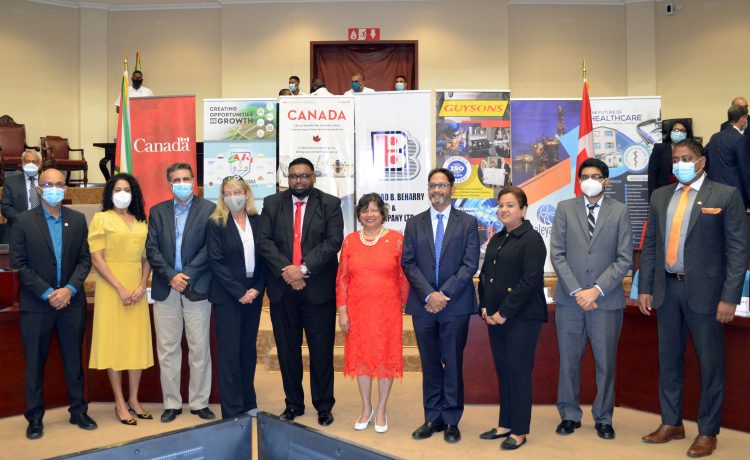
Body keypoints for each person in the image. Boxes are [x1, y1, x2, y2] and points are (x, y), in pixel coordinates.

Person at [638, 139, 749, 458]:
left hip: (708, 293)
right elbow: (651, 246)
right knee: (668, 360)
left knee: (710, 364)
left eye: (687, 158)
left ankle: (708, 431)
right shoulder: (660, 196)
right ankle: (671, 423)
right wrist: (645, 286)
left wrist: (730, 297)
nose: (680, 163)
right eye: (676, 159)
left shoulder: (725, 195)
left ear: (702, 161)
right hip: (667, 289)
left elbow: (739, 250)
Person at [257, 157, 344, 426]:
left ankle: (323, 405)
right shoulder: (273, 203)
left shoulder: (330, 203)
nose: (299, 180)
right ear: (288, 179)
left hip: (317, 290)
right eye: (294, 176)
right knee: (287, 351)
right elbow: (264, 241)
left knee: (321, 352)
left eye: (304, 176)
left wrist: (303, 270)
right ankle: (293, 404)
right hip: (283, 290)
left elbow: (333, 242)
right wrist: (289, 270)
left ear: (313, 178)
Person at [9, 168, 95, 439]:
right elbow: (18, 265)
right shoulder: (23, 222)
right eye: (49, 184)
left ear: (66, 188)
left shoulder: (78, 220)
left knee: (73, 360)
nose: (55, 189)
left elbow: (85, 260)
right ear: (38, 189)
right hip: (37, 305)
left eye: (59, 184)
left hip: (72, 302)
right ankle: (34, 417)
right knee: (35, 362)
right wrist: (48, 293)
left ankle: (78, 410)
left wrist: (69, 289)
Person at [550, 158, 632, 440]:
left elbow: (624, 259)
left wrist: (596, 289)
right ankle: (569, 415)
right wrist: (577, 291)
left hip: (605, 301)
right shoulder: (564, 209)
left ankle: (604, 417)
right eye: (584, 175)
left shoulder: (620, 212)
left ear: (606, 181)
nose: (589, 180)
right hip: (570, 300)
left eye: (595, 176)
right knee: (568, 361)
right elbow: (557, 254)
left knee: (605, 363)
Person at [402, 168, 480, 444]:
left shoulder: (468, 222)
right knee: (430, 363)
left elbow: (470, 263)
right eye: (433, 185)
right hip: (423, 305)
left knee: (453, 361)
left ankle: (451, 419)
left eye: (442, 185)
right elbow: (408, 263)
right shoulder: (414, 223)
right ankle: (433, 416)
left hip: (455, 304)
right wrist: (428, 295)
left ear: (452, 189)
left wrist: (443, 294)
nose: (437, 190)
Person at [145, 163, 216, 423]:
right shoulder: (157, 212)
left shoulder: (209, 210)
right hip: (166, 287)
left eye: (186, 178)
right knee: (167, 349)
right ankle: (172, 403)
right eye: (176, 179)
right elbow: (151, 249)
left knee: (199, 348)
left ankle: (199, 403)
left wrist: (185, 275)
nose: (182, 183)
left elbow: (210, 248)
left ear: (194, 181)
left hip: (196, 286)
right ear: (169, 184)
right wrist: (170, 276)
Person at [477, 186, 547, 450]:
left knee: (518, 372)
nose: (504, 210)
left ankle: (519, 430)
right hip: (494, 317)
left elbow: (529, 282)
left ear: (523, 210)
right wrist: (484, 307)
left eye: (510, 205)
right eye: (501, 205)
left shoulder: (532, 239)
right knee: (504, 371)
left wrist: (504, 312)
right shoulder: (497, 238)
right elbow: (485, 277)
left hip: (521, 318)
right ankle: (505, 423)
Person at [336, 193, 409, 433]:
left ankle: (381, 410)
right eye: (365, 210)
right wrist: (343, 312)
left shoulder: (397, 239)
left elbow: (403, 276)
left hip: (387, 311)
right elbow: (343, 279)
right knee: (362, 359)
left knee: (385, 358)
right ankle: (366, 408)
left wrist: (403, 304)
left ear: (382, 213)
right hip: (357, 310)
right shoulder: (350, 241)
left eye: (375, 210)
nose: (370, 215)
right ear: (359, 214)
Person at [88, 173, 153, 426]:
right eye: (118, 189)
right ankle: (119, 402)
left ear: (134, 193)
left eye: (127, 189)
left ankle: (134, 399)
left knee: (134, 342)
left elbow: (147, 258)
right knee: (115, 342)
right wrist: (120, 288)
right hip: (111, 286)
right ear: (110, 192)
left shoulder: (141, 220)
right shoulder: (101, 218)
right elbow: (97, 258)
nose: (122, 193)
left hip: (136, 287)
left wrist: (140, 286)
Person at [207, 177, 268, 419]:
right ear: (222, 196)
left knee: (247, 351)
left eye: (237, 192)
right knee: (230, 353)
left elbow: (265, 258)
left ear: (247, 193)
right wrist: (238, 292)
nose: (234, 197)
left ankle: (248, 400)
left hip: (252, 293)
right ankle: (231, 409)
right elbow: (216, 262)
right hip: (227, 295)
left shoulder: (258, 220)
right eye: (228, 193)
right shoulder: (216, 223)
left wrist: (256, 289)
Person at [705, 104, 750, 208]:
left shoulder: (714, 137)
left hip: (713, 189)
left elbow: (705, 160)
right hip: (734, 192)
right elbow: (745, 171)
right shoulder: (741, 139)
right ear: (743, 118)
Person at [1, 150, 42, 243]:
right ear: (22, 163)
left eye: (34, 162)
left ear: (40, 165)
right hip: (17, 228)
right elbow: (5, 208)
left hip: (43, 229)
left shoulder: (47, 182)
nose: (31, 164)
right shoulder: (10, 182)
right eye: (27, 161)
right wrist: (24, 220)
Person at [647, 120, 693, 199]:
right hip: (663, 192)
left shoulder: (692, 150)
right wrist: (652, 198)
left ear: (686, 134)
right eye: (676, 130)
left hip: (686, 191)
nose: (679, 132)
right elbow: (652, 174)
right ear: (670, 132)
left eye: (682, 130)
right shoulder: (659, 148)